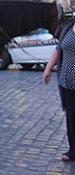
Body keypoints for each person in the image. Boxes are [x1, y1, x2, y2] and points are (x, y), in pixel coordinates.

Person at [43, 17, 75, 162]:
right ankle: (73, 150)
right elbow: (58, 48)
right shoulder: (69, 25)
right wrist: (48, 68)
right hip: (67, 81)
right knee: (72, 116)